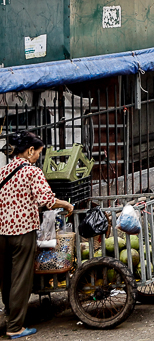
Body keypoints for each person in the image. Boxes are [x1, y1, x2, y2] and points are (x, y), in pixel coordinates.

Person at [1, 131, 76, 339]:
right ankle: (15, 327)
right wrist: (66, 204)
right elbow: (47, 200)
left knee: (6, 279)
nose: (38, 158)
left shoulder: (3, 170)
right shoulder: (32, 171)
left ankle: (10, 316)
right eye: (38, 153)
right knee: (20, 279)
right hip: (22, 231)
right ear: (30, 150)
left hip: (1, 232)